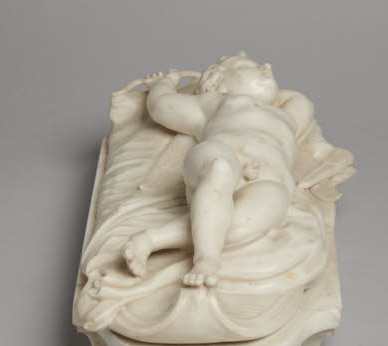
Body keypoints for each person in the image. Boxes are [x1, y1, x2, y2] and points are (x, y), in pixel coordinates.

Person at [123, 51, 314, 287]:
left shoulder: (288, 117)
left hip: (268, 179)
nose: (266, 66)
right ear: (217, 83)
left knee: (255, 215)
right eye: (247, 66)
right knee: (220, 168)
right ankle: (206, 259)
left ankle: (152, 239)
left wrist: (260, 86)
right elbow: (162, 106)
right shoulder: (215, 103)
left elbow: (302, 102)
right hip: (223, 155)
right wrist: (165, 82)